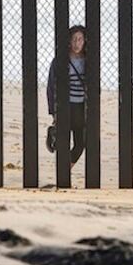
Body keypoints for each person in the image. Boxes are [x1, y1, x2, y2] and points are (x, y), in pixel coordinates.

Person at [46, 25, 87, 169]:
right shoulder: (60, 61)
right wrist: (53, 111)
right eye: (74, 39)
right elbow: (51, 86)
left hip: (82, 107)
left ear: (84, 41)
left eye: (80, 39)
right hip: (66, 106)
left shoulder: (89, 61)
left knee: (81, 143)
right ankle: (63, 173)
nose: (77, 43)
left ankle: (66, 168)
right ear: (69, 41)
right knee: (62, 142)